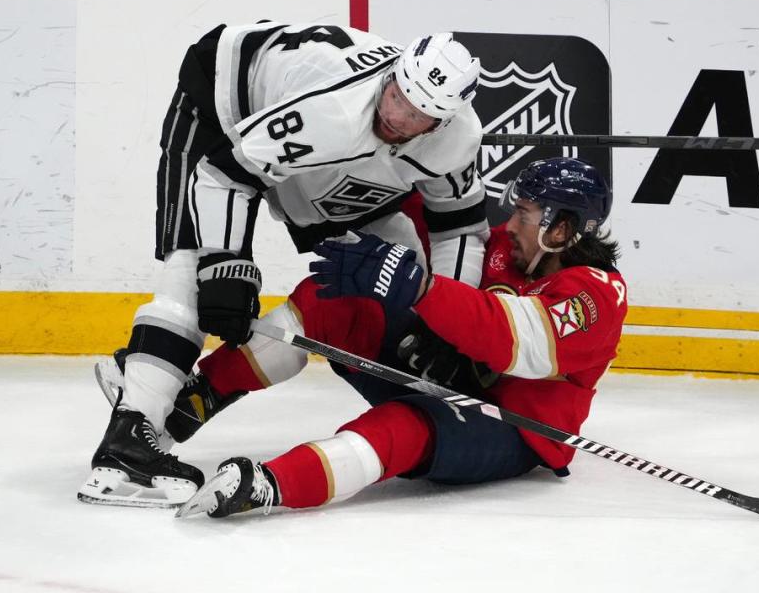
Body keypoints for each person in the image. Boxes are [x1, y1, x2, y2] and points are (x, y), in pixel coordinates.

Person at [78, 22, 490, 508]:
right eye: (398, 95)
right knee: (191, 270)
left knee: (392, 259)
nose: (398, 116)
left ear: (442, 122)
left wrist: (450, 324)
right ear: (394, 74)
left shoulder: (457, 138)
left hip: (327, 149)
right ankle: (129, 443)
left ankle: (165, 386)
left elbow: (459, 228)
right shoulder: (334, 109)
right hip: (225, 107)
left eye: (419, 114)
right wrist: (223, 261)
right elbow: (223, 174)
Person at [172, 157, 628, 519]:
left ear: (561, 229)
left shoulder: (597, 297)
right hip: (449, 373)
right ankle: (201, 396)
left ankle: (269, 486)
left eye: (524, 215)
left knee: (404, 425)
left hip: (514, 428)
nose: (509, 225)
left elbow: (513, 341)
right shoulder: (504, 250)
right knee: (334, 297)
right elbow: (426, 227)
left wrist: (422, 288)